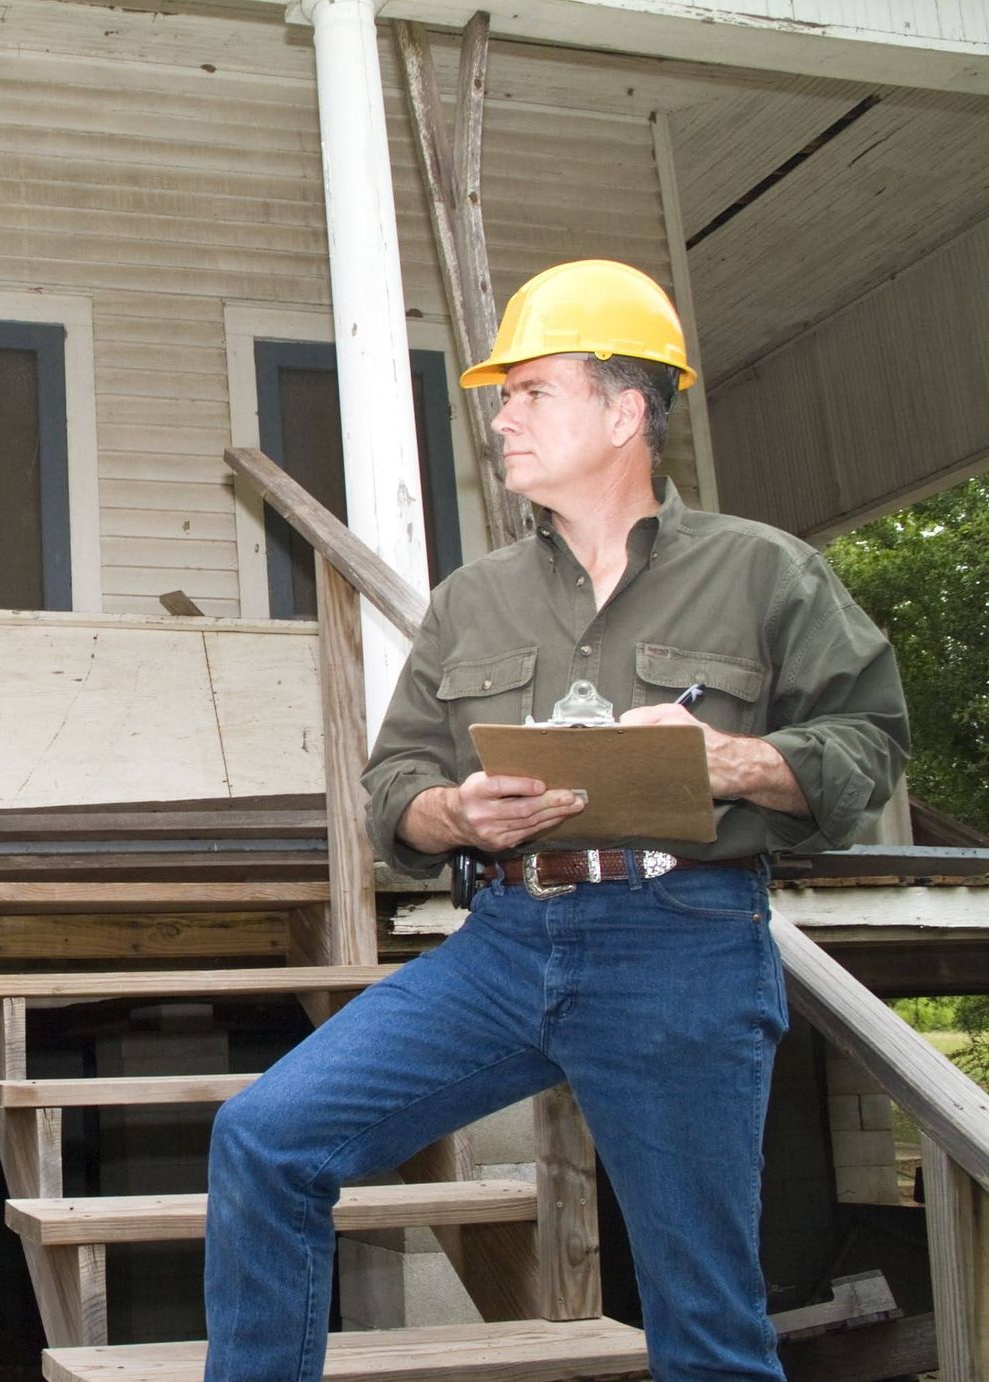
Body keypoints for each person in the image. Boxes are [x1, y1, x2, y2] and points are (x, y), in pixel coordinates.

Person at [202, 259, 909, 1381]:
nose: (502, 417)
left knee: (706, 1315)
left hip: (686, 939)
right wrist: (454, 809)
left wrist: (727, 756)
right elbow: (394, 787)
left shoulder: (765, 573)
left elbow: (869, 748)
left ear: (628, 408)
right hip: (504, 942)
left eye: (533, 389)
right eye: (502, 395)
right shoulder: (472, 598)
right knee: (265, 1136)